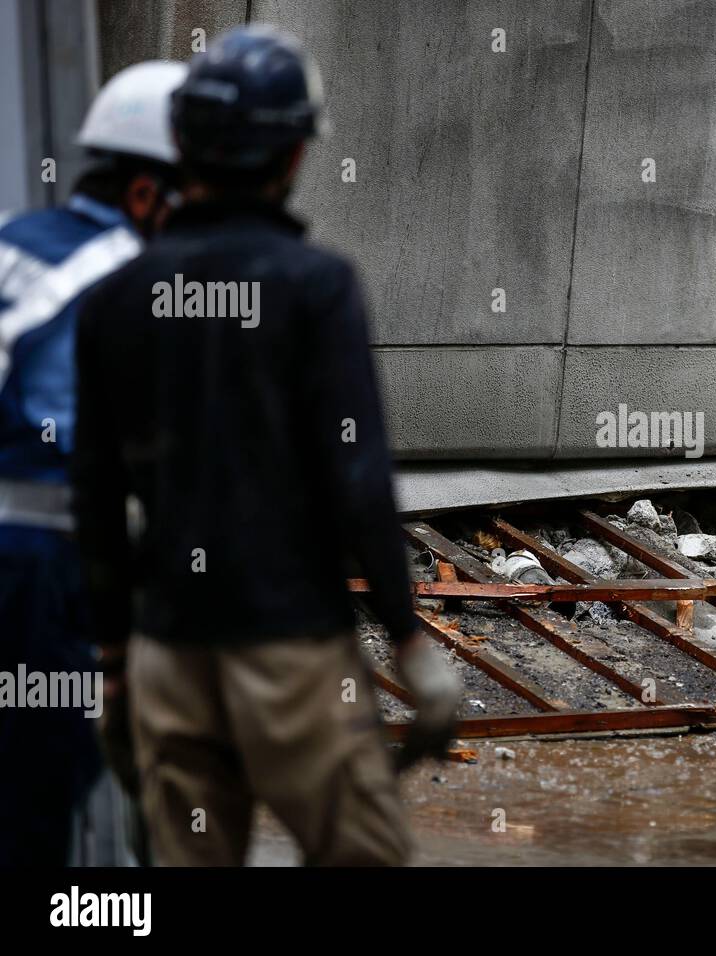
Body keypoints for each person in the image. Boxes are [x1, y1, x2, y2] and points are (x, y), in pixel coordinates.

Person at [70, 25, 460, 867]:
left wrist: (113, 667)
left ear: (181, 143)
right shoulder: (317, 288)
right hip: (293, 655)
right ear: (292, 155)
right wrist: (410, 642)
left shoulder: (114, 301)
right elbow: (356, 479)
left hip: (169, 653)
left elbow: (95, 498)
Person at [0, 60, 189, 866]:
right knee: (34, 810)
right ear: (148, 195)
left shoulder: (13, 239)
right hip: (42, 571)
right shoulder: (137, 280)